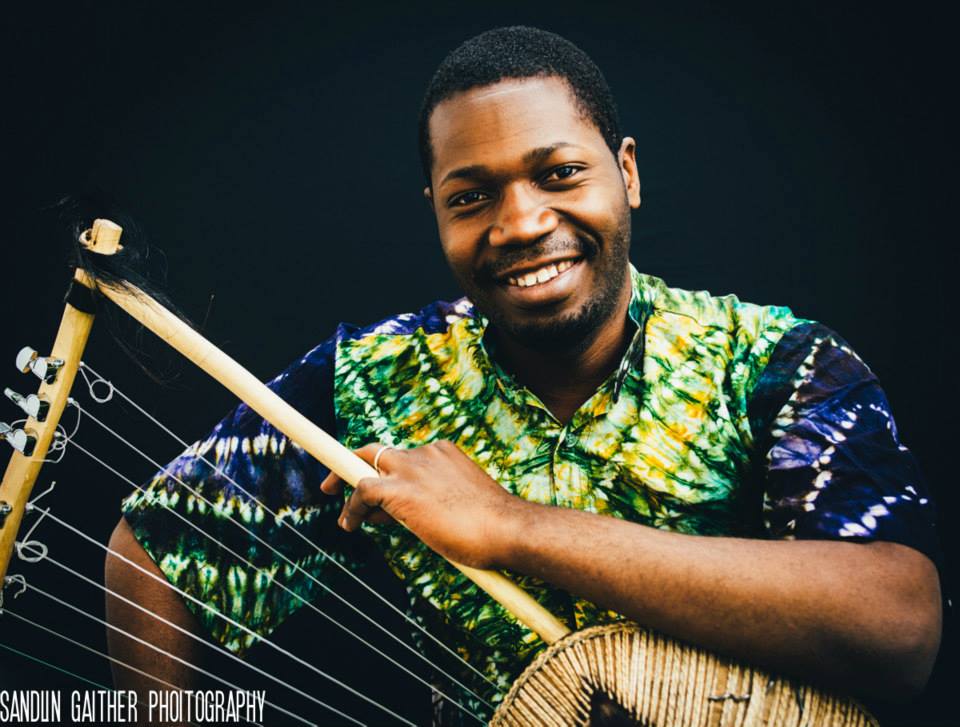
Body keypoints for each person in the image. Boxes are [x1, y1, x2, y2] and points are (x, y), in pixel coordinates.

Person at [104, 26, 942, 725]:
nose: (522, 223)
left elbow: (900, 627)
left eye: (559, 173)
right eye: (470, 197)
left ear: (628, 173)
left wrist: (509, 525)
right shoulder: (373, 377)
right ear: (435, 208)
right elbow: (155, 544)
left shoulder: (775, 363)